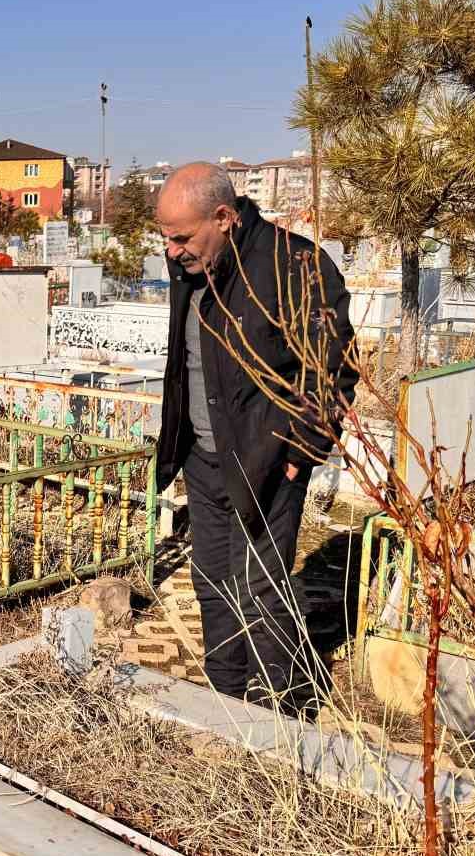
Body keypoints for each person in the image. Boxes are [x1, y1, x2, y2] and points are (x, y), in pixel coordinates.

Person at [153, 162, 357, 709]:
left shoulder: (296, 266)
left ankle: (279, 710)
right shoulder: (193, 265)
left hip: (267, 459)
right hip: (203, 456)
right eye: (164, 239)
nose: (171, 251)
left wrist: (298, 453)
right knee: (213, 581)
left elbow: (332, 370)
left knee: (261, 590)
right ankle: (226, 698)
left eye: (180, 237)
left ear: (223, 217)